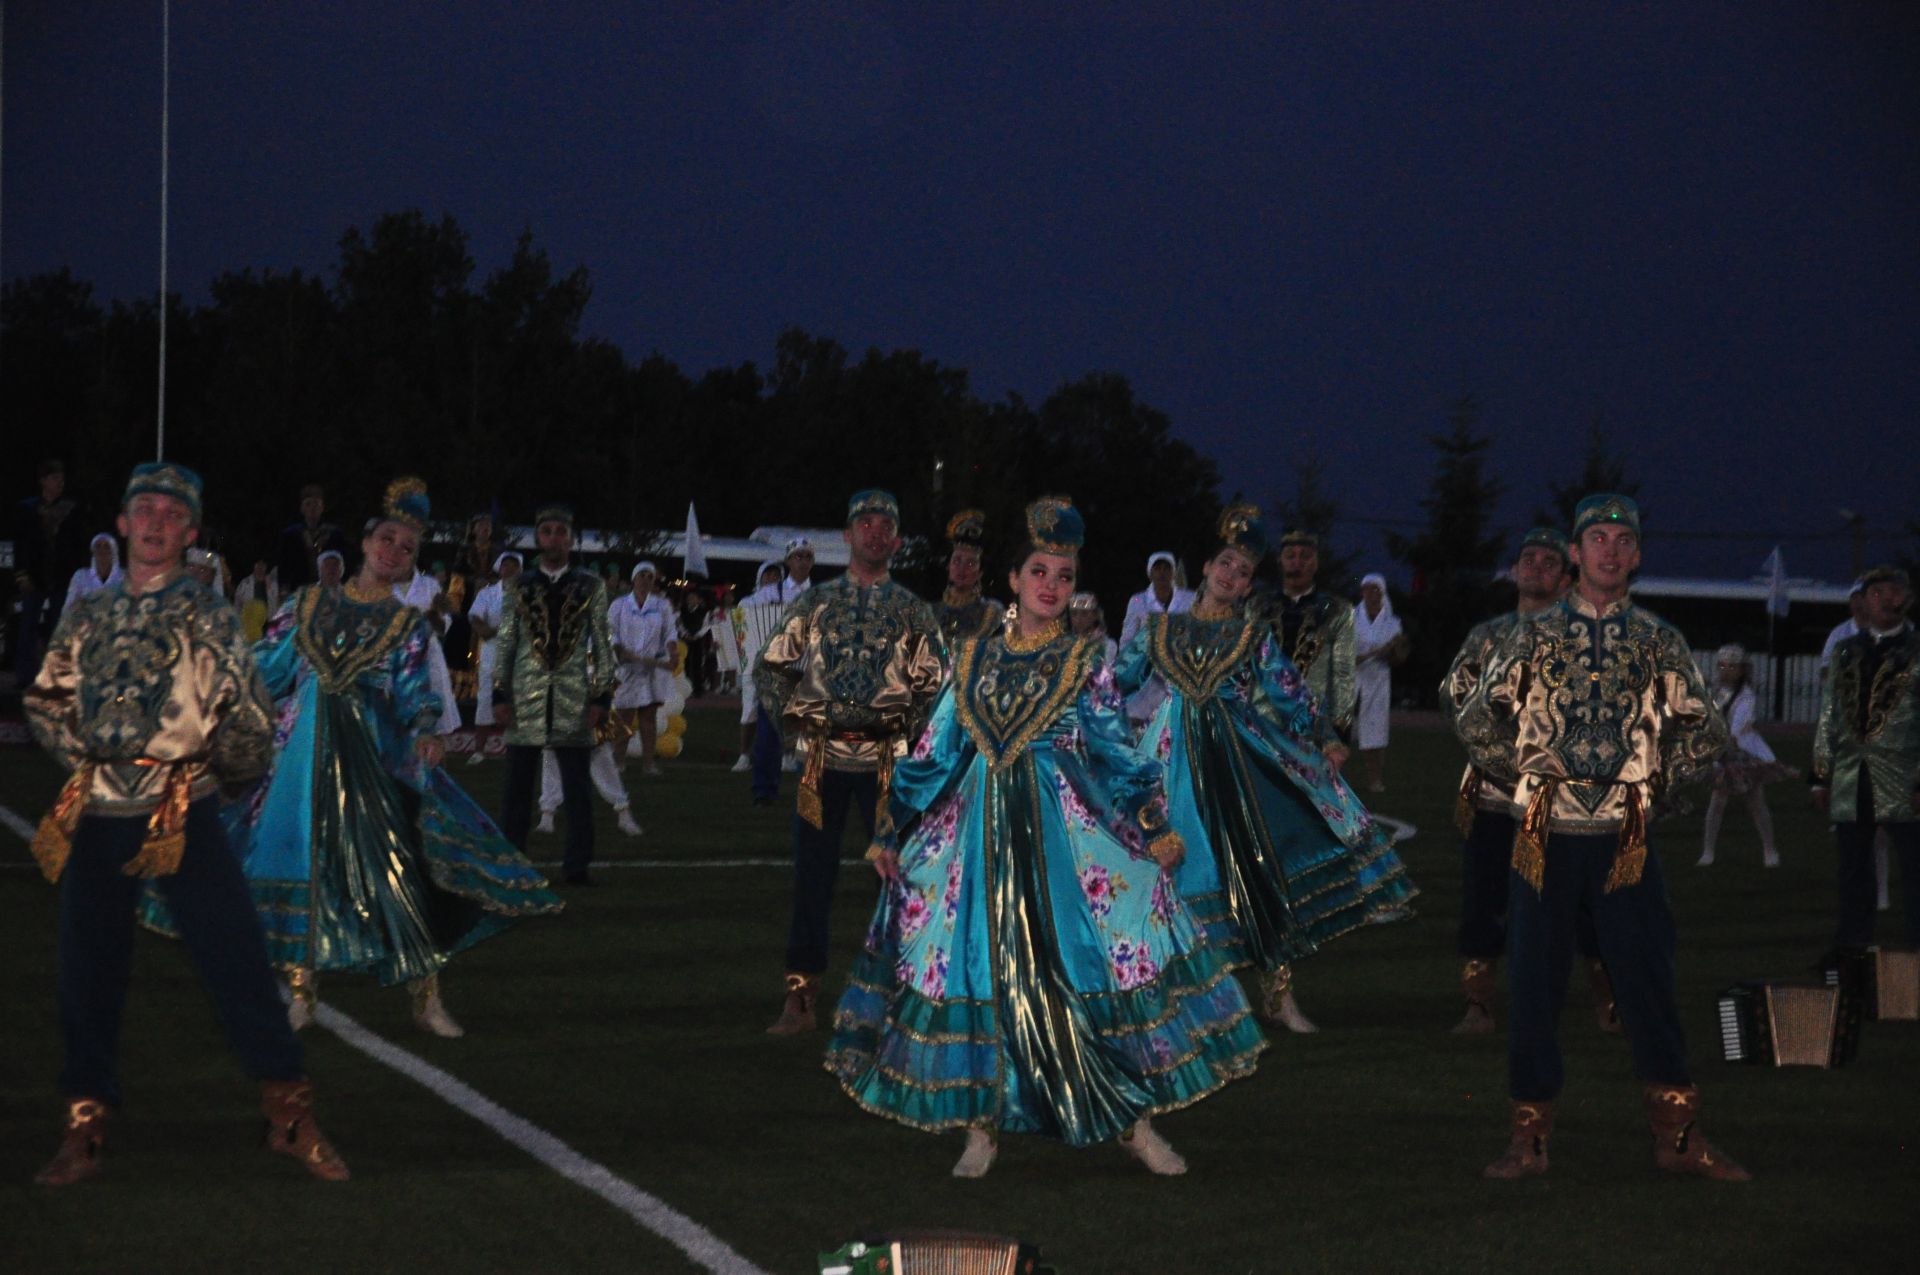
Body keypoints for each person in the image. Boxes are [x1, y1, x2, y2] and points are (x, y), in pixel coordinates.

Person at [826, 497, 1264, 1178]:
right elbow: (933, 752)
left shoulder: (1084, 660)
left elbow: (1118, 753)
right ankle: (982, 1126)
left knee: (1085, 969)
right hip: (979, 841)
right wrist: (890, 829)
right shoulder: (969, 659)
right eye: (1039, 570)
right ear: (1014, 578)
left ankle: (1133, 1121)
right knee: (984, 971)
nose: (1052, 585)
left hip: (1064, 841)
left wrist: (1153, 825)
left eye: (1064, 575)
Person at [23, 461, 348, 1185]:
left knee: (235, 960)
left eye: (174, 514)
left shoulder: (207, 612)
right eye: (146, 509)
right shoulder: (88, 614)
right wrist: (92, 758)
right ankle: (84, 1128)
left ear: (191, 532)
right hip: (100, 812)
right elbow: (46, 698)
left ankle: (289, 1115)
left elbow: (247, 707)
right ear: (121, 521)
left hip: (182, 812)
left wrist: (220, 775)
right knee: (88, 972)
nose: (158, 522)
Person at [1456, 494, 1746, 1182]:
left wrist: (1656, 788)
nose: (1610, 550)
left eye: (1623, 539)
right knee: (1532, 983)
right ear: (1577, 553)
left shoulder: (1656, 638)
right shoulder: (1530, 635)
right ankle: (1528, 1139)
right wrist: (1530, 778)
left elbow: (1704, 729)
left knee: (1648, 980)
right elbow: (1474, 719)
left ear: (1637, 555)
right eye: (1598, 538)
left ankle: (1678, 1138)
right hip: (1543, 838)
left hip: (1625, 839)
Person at [225, 478, 563, 1036]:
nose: (394, 551)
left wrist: (428, 729)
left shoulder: (406, 626)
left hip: (376, 757)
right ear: (365, 541)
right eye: (388, 538)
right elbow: (268, 667)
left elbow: (414, 692)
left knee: (404, 870)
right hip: (306, 756)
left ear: (412, 565)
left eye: (407, 548)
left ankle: (426, 995)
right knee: (304, 864)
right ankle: (303, 992)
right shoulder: (308, 604)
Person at [1115, 505, 1415, 1036]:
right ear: (1205, 568)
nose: (1232, 576)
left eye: (1245, 572)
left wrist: (1324, 736)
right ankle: (1186, 1003)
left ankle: (1277, 996)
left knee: (1256, 870)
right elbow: (1115, 683)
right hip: (1172, 763)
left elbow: (1290, 692)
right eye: (1226, 565)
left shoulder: (1252, 636)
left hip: (1240, 762)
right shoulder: (1160, 631)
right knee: (1172, 873)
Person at [756, 489, 944, 1033]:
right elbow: (772, 668)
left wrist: (909, 739)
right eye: (865, 522)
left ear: (898, 541)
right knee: (812, 879)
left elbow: (936, 687)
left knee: (902, 881)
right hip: (822, 764)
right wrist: (797, 724)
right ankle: (801, 997)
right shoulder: (815, 604)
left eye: (887, 524)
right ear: (846, 535)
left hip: (889, 769)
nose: (876, 531)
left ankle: (907, 998)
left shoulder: (911, 610)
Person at [1441, 528, 1620, 1036]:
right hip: (1496, 795)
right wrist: (1509, 760)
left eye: (1548, 561)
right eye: (1527, 558)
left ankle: (1608, 1000)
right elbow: (1457, 702)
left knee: (1590, 903)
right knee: (1484, 901)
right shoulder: (1487, 636)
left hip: (1573, 800)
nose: (1535, 566)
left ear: (1566, 578)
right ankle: (1478, 1006)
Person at [494, 502, 617, 886]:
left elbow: (602, 642)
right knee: (517, 788)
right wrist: (500, 694)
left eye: (560, 532)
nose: (554, 539)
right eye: (547, 532)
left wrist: (601, 699)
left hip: (572, 697)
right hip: (526, 698)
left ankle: (577, 865)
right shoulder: (518, 586)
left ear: (570, 538)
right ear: (537, 537)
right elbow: (506, 644)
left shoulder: (590, 586)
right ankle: (513, 861)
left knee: (577, 788)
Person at [1812, 565, 1919, 950]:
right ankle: (1850, 950)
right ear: (1864, 603)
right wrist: (1821, 774)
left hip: (1904, 781)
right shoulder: (1845, 651)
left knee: (1913, 867)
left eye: (1894, 592)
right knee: (1853, 869)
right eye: (1876, 594)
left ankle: (1914, 952)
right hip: (1851, 777)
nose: (1886, 600)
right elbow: (1829, 714)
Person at [1698, 644, 1793, 868]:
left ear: (1742, 669)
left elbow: (1737, 728)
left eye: (1732, 666)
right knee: (1717, 801)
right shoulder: (1717, 693)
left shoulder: (1746, 696)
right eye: (1723, 666)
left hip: (1743, 754)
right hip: (1722, 752)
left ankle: (1770, 850)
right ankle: (1708, 851)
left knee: (1755, 801)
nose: (1727, 670)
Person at [1273, 530, 1357, 756]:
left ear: (1316, 563)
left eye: (1305, 556)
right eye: (1290, 556)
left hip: (1315, 726)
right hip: (1264, 722)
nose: (1297, 562)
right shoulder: (1259, 608)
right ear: (1280, 561)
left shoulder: (1337, 611)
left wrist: (1339, 731)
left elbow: (1344, 673)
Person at [733, 559, 790, 778]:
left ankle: (787, 756)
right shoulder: (747, 602)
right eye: (769, 575)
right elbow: (739, 633)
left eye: (776, 576)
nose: (772, 579)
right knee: (749, 711)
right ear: (760, 577)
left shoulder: (789, 601)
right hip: (753, 664)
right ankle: (744, 755)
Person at [1351, 573, 1401, 793]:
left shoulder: (1393, 623)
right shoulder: (1350, 619)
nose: (1371, 593)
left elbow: (1397, 655)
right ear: (1362, 592)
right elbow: (1343, 653)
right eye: (1367, 589)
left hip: (1378, 680)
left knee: (1375, 731)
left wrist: (1387, 655)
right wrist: (1358, 657)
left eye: (1376, 589)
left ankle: (1375, 780)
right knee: (1338, 729)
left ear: (1382, 593)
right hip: (1351, 679)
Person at [466, 551, 520, 743]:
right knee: (485, 697)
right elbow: (475, 617)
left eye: (514, 565)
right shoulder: (487, 593)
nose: (510, 569)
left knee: (516, 697)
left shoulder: (527, 594)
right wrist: (489, 630)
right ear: (499, 569)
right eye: (506, 565)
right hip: (491, 650)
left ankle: (512, 744)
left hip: (517, 653)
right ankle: (479, 749)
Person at [937, 509, 1003, 646]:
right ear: (948, 566)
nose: (962, 569)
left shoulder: (991, 613)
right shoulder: (931, 611)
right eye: (956, 561)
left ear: (980, 572)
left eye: (971, 563)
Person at [276, 483, 348, 592]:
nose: (312, 508)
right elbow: (284, 566)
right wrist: (283, 591)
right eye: (308, 504)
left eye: (316, 504)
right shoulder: (291, 534)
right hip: (299, 589)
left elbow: (343, 562)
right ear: (302, 508)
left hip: (328, 590)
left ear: (322, 507)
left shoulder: (334, 533)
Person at [1118, 550, 1195, 647]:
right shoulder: (1138, 601)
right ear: (1150, 572)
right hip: (1147, 658)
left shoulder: (1189, 598)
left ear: (1173, 572)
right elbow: (1128, 638)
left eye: (1167, 568)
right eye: (1157, 568)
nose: (1162, 572)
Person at [60, 533, 123, 617]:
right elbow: (68, 606)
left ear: (113, 550)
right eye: (98, 546)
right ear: (93, 551)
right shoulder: (81, 576)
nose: (102, 550)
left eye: (106, 546)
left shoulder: (123, 576)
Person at [232, 559, 279, 643]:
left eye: (263, 565)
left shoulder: (272, 583)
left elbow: (276, 602)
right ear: (254, 566)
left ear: (266, 567)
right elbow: (237, 603)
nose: (260, 568)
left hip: (268, 622)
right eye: (258, 565)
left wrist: (270, 587)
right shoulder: (245, 583)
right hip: (250, 623)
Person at [1068, 591, 1116, 664]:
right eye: (1074, 614)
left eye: (1084, 613)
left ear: (1095, 615)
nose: (1078, 619)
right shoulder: (1066, 645)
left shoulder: (1108, 645)